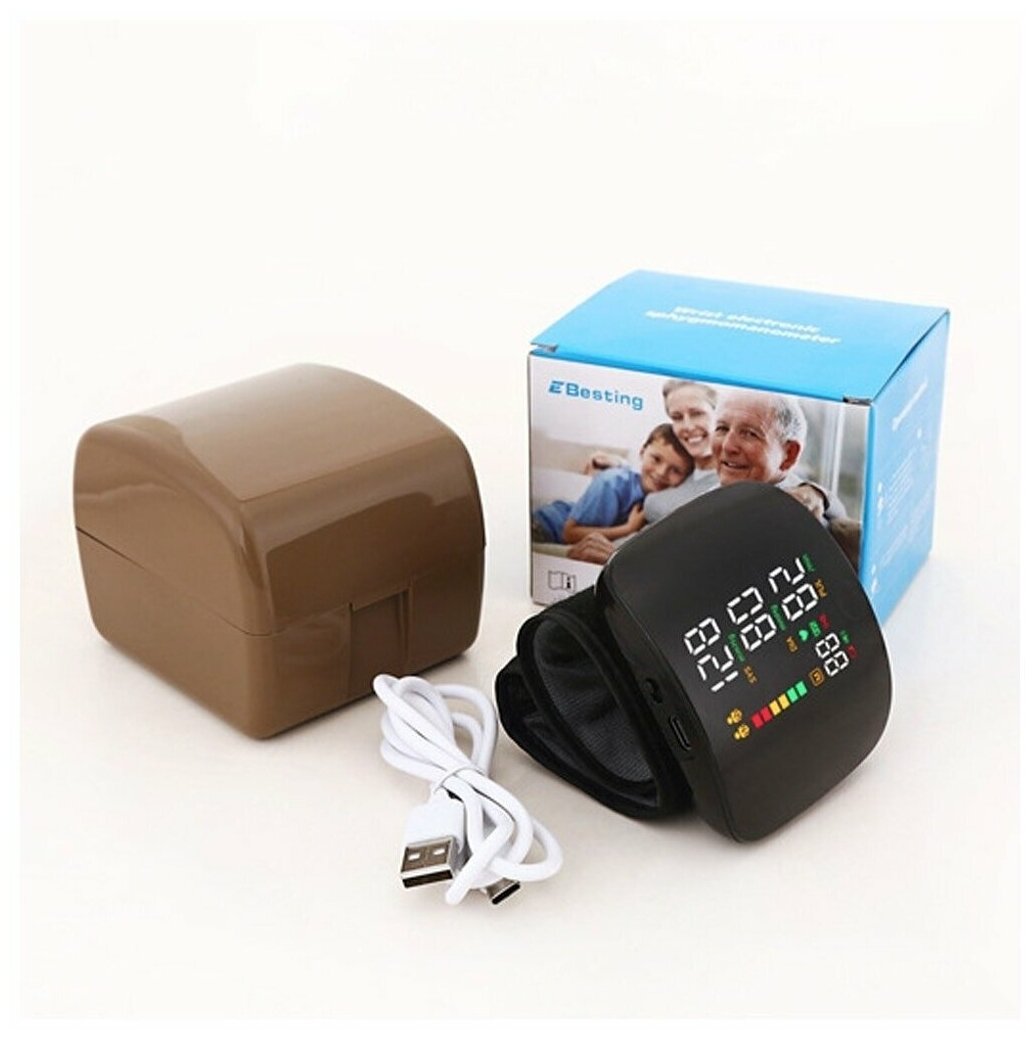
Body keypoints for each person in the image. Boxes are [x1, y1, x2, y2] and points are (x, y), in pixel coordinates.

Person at [532, 424, 692, 545]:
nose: (662, 472)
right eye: (656, 459)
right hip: (544, 526)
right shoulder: (612, 483)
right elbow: (569, 533)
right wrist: (628, 529)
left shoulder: (661, 498)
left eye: (676, 470)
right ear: (642, 452)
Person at [710, 388, 846, 523]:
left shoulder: (804, 518)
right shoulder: (707, 502)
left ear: (789, 454)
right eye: (722, 428)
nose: (728, 446)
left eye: (750, 434)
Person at [643, 379, 721, 523]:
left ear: (719, 415)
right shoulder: (684, 470)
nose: (688, 427)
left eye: (697, 414)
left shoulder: (728, 479)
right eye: (677, 417)